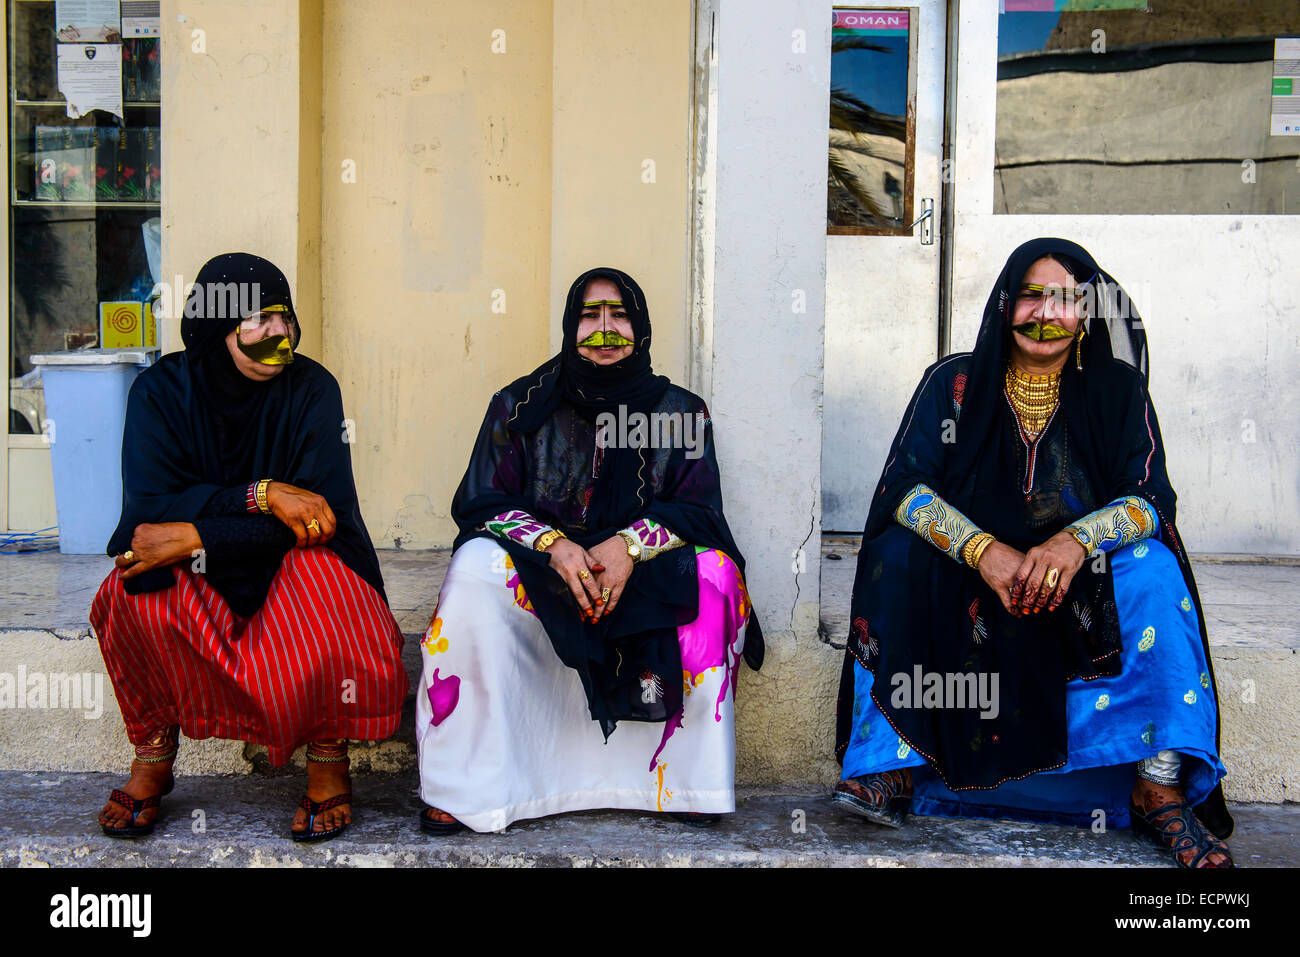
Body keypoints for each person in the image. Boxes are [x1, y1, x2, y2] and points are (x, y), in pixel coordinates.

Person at [831, 238, 1233, 868]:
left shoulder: (1117, 391)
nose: (1045, 312)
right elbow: (904, 492)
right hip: (970, 576)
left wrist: (1075, 541)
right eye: (1030, 295)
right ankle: (896, 765)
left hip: (1080, 581)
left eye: (1065, 298)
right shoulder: (953, 385)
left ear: (1086, 313)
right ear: (1004, 303)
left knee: (1154, 568)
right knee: (900, 554)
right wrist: (980, 548)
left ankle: (1158, 786)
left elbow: (1152, 499)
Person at [415, 266, 763, 834]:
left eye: (619, 314)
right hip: (545, 576)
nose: (605, 331)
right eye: (589, 316)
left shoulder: (680, 412)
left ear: (641, 326)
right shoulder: (520, 406)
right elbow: (481, 503)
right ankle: (467, 784)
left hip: (645, 572)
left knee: (716, 574)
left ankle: (687, 781)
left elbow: (701, 510)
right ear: (570, 325)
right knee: (475, 567)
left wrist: (629, 546)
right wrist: (554, 546)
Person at [90, 252, 408, 843]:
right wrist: (262, 495)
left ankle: (327, 759)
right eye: (257, 319)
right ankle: (153, 756)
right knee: (133, 583)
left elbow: (319, 521)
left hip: (291, 556)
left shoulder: (312, 388)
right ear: (217, 327)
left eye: (283, 317)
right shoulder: (159, 392)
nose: (278, 333)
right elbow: (149, 517)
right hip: (206, 559)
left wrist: (197, 530)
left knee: (329, 588)